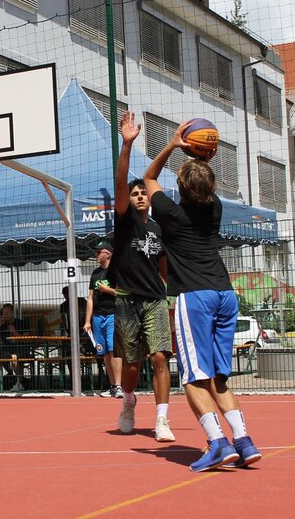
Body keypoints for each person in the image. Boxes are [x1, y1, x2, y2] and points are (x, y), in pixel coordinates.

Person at [144, 120, 261, 472]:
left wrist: (172, 145)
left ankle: (217, 444)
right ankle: (243, 440)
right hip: (226, 293)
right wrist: (201, 154)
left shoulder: (169, 212)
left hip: (194, 297)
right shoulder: (216, 209)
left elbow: (149, 178)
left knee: (193, 379)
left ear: (180, 187)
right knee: (219, 377)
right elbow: (198, 181)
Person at [111, 112, 175, 443]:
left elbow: (164, 270)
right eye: (135, 192)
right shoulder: (124, 221)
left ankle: (162, 419)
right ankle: (129, 402)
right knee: (133, 367)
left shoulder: (159, 229)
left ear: (150, 198)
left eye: (142, 192)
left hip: (154, 300)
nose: (138, 195)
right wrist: (126, 145)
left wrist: (172, 301)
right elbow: (120, 183)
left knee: (160, 357)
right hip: (126, 301)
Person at [82, 242, 124, 398]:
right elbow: (91, 298)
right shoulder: (95, 273)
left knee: (114, 350)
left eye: (99, 252)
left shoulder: (116, 272)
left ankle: (119, 385)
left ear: (109, 254)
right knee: (105, 352)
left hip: (113, 314)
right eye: (96, 251)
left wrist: (108, 290)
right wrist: (88, 321)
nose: (96, 254)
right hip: (98, 317)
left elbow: (124, 293)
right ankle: (113, 385)